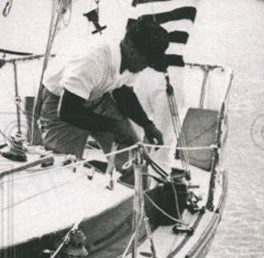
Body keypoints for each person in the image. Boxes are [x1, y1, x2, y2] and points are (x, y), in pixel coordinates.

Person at [126, 0, 259, 170]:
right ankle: (128, 194)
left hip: (169, 77)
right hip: (139, 76)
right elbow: (127, 41)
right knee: (131, 138)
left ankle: (153, 191)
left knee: (162, 144)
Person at [39, 16, 169, 164]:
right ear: (129, 46)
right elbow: (68, 111)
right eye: (146, 61)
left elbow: (123, 92)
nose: (146, 67)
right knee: (64, 167)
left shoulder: (134, 59)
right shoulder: (92, 60)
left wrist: (147, 124)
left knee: (135, 158)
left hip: (98, 97)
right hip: (61, 102)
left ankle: (133, 181)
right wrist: (113, 125)